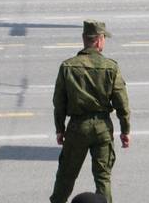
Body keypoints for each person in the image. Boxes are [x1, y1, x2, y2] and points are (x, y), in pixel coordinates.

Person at [50, 20, 131, 203]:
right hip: (102, 128)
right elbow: (122, 103)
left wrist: (59, 129)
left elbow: (59, 102)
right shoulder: (111, 67)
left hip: (77, 127)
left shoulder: (68, 66)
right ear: (100, 40)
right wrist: (125, 131)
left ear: (84, 39)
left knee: (66, 176)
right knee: (103, 178)